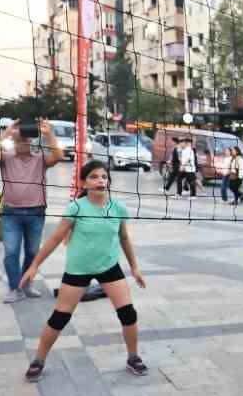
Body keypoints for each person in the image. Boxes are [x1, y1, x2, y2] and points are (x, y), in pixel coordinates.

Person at [19, 161, 148, 381]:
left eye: (104, 177)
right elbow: (55, 238)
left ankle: (133, 357)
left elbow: (124, 238)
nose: (100, 181)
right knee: (60, 317)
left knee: (128, 314)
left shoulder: (117, 208)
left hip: (109, 267)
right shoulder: (76, 208)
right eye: (94, 177)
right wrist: (34, 266)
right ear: (84, 182)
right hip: (78, 270)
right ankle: (38, 360)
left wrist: (135, 267)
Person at [0, 118, 63, 303]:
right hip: (11, 212)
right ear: (13, 141)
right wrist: (7, 133)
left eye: (26, 139)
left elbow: (59, 156)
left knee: (32, 252)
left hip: (36, 212)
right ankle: (15, 288)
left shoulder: (40, 159)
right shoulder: (6, 158)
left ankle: (26, 284)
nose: (23, 142)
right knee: (11, 252)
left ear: (32, 140)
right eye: (19, 139)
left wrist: (48, 134)